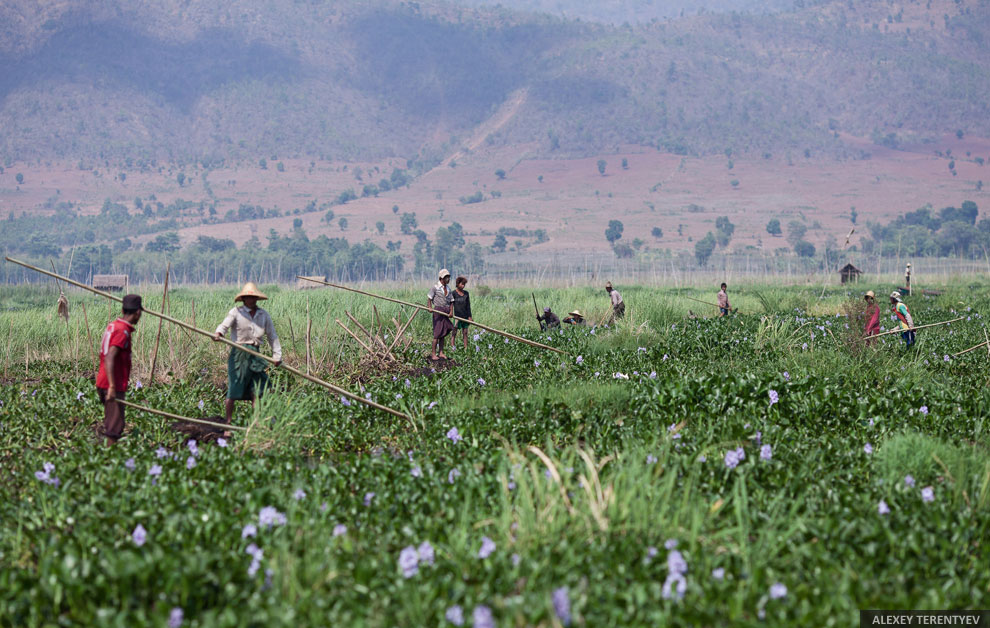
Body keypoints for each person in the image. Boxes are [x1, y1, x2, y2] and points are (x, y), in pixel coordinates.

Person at [213, 283, 282, 431]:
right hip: (239, 352)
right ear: (243, 299)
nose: (251, 300)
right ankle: (228, 423)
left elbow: (272, 336)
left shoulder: (263, 315)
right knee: (234, 387)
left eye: (253, 297)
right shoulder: (236, 312)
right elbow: (224, 326)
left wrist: (277, 355)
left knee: (258, 389)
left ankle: (256, 422)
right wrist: (219, 333)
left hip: (255, 354)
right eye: (248, 297)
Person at [95, 294, 143, 445]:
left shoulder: (113, 325)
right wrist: (112, 387)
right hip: (112, 384)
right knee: (114, 428)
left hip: (103, 381)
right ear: (138, 312)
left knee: (113, 421)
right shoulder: (122, 331)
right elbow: (110, 357)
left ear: (123, 309)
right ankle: (110, 462)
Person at [428, 269, 454, 360]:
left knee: (444, 332)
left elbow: (451, 301)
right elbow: (429, 298)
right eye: (446, 278)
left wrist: (451, 312)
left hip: (446, 312)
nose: (448, 279)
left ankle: (441, 352)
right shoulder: (435, 288)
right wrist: (430, 308)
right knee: (437, 333)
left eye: (448, 277)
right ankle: (434, 354)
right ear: (441, 278)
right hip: (438, 312)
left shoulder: (448, 289)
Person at [451, 276, 473, 351]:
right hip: (457, 316)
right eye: (462, 284)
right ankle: (452, 347)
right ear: (457, 284)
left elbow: (468, 306)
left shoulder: (466, 294)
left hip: (465, 316)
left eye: (464, 284)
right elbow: (451, 304)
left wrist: (469, 316)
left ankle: (465, 348)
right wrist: (450, 312)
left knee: (465, 332)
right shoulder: (453, 293)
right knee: (454, 331)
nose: (463, 286)